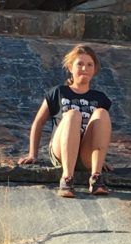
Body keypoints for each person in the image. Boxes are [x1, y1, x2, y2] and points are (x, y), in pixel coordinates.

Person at [22, 43, 112, 198]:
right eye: (80, 64)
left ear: (95, 69)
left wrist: (101, 158)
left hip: (85, 154)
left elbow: (102, 130)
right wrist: (32, 154)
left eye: (90, 64)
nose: (85, 68)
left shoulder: (100, 98)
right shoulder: (58, 92)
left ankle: (96, 178)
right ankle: (67, 179)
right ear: (70, 67)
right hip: (61, 151)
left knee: (102, 113)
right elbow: (38, 122)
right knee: (72, 115)